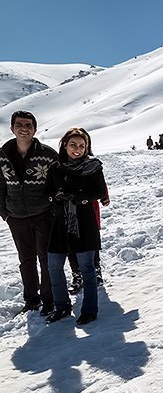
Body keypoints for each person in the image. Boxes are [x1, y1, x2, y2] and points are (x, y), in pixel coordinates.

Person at [43, 127, 107, 325]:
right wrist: (56, 198)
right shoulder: (55, 168)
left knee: (87, 267)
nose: (77, 149)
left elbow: (99, 191)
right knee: (53, 265)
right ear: (64, 144)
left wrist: (78, 198)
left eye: (82, 145)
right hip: (61, 222)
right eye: (73, 145)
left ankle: (89, 310)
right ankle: (62, 307)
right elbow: (47, 192)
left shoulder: (93, 166)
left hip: (85, 223)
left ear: (87, 147)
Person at [0, 110, 59, 316]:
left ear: (35, 129)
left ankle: (49, 299)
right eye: (19, 124)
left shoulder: (49, 155)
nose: (23, 128)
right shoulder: (2, 155)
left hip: (43, 214)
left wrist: (53, 209)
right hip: (16, 217)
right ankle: (32, 300)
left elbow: (59, 185)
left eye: (28, 125)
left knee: (46, 258)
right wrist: (4, 213)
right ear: (12, 128)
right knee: (26, 260)